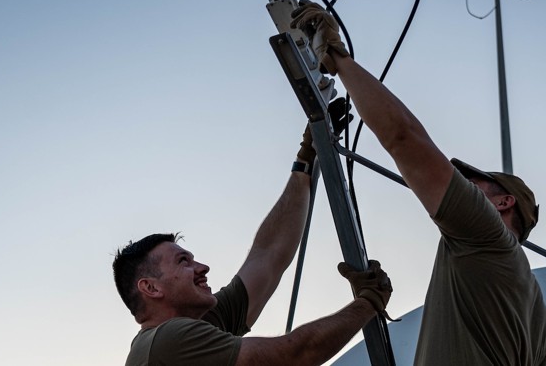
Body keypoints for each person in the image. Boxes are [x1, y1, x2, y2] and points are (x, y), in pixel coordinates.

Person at [291, 1, 546, 365]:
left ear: (503, 203)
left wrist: (335, 55)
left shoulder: (484, 233)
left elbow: (404, 137)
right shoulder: (542, 321)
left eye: (471, 183)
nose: (458, 186)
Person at [112, 108, 394, 366]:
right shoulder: (168, 341)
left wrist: (304, 162)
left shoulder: (200, 325)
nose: (203, 268)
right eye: (183, 262)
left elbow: (269, 255)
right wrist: (369, 301)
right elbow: (295, 354)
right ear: (150, 288)